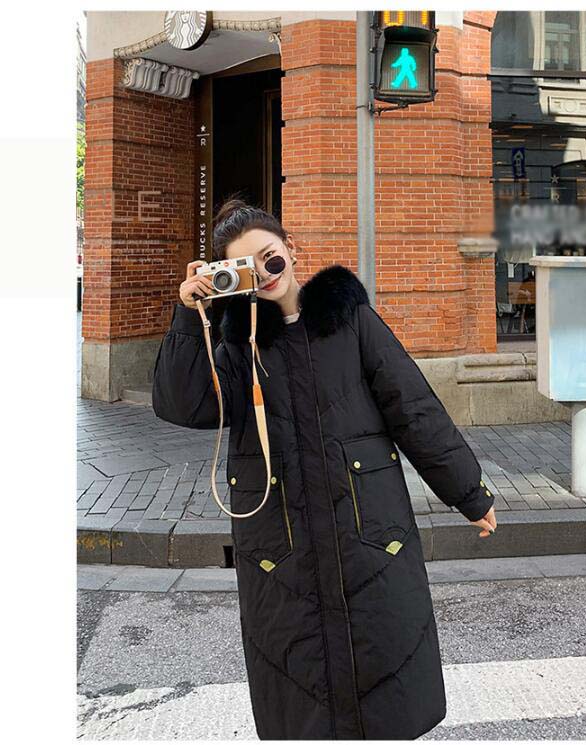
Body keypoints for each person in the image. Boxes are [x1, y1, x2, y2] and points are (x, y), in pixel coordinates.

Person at [152, 198, 497, 740]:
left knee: (385, 682)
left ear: (291, 250)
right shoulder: (238, 343)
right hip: (280, 549)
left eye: (270, 257)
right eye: (246, 267)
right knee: (302, 690)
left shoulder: (349, 319)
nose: (265, 273)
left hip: (368, 535)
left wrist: (468, 492)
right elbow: (185, 406)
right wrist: (191, 317)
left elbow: (411, 406)